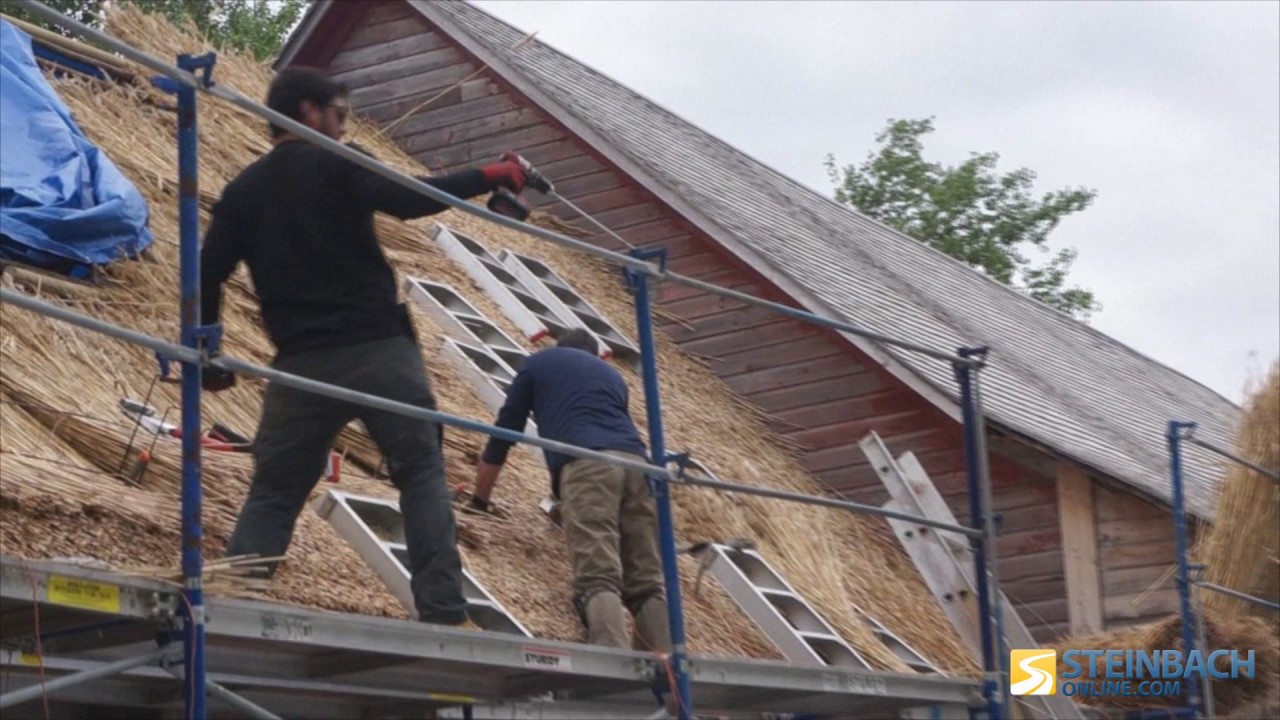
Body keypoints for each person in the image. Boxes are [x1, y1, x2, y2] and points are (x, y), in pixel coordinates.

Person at [199, 66, 532, 626]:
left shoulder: (243, 190)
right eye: (339, 114)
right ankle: (444, 613)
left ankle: (232, 606)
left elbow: (207, 271)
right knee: (421, 472)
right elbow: (410, 199)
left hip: (301, 364)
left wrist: (208, 348)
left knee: (275, 491)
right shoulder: (338, 161)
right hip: (378, 350)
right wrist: (494, 173)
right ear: (309, 111)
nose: (343, 126)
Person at [470, 329, 672, 651]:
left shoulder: (538, 363)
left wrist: (479, 500)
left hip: (588, 463)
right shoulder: (613, 377)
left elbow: (505, 431)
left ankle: (612, 661)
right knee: (646, 580)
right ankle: (667, 665)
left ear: (559, 347)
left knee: (598, 572)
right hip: (639, 466)